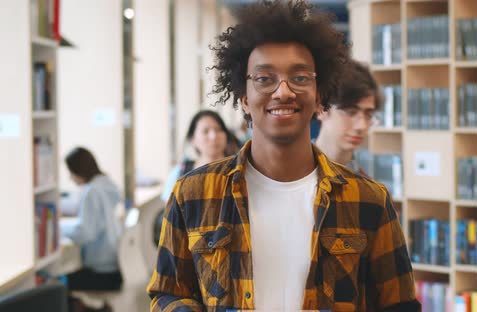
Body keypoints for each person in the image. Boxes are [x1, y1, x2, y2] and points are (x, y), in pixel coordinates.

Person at [147, 1, 420, 311]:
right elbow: (167, 293)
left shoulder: (369, 200)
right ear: (244, 98)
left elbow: (400, 304)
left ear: (319, 96)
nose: (283, 91)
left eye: (300, 78)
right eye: (265, 78)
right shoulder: (193, 194)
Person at [61, 147, 123, 311]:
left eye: (71, 172)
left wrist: (59, 228)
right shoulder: (107, 184)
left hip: (102, 272)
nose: (70, 177)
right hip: (116, 266)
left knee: (56, 283)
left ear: (78, 170)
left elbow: (85, 233)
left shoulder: (91, 191)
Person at [315, 60, 380, 176]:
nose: (362, 126)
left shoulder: (368, 189)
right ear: (321, 109)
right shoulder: (287, 175)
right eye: (351, 112)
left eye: (368, 114)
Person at [160, 110, 230, 202]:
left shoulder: (239, 169)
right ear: (192, 139)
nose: (213, 136)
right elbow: (170, 213)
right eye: (206, 131)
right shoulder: (180, 173)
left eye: (218, 129)